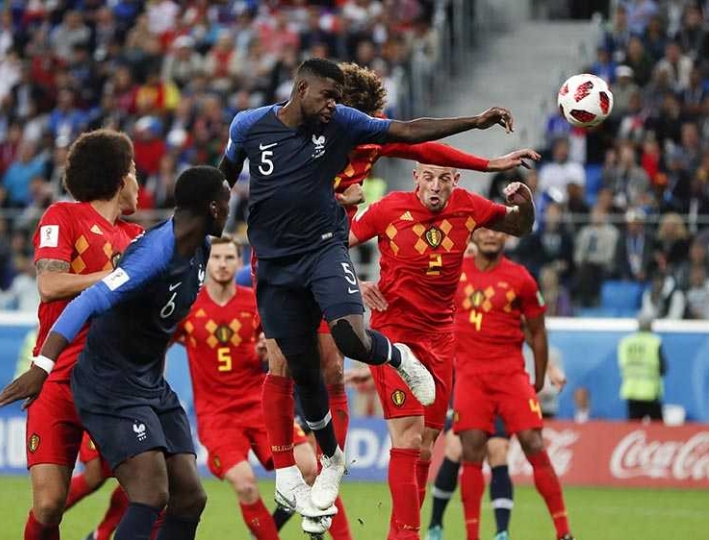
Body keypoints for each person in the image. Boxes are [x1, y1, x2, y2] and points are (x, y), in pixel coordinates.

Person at [218, 57, 527, 522]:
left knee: (335, 365)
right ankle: (288, 472)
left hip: (324, 248)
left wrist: (487, 161)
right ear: (307, 94)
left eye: (344, 108)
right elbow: (229, 179)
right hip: (278, 254)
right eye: (330, 101)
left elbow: (423, 147)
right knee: (286, 362)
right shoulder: (266, 128)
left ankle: (327, 474)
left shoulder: (361, 134)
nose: (337, 114)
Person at [0, 166, 231, 540]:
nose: (233, 210)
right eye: (228, 203)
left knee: (189, 496)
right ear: (214, 208)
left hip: (146, 381)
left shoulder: (195, 245)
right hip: (108, 381)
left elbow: (218, 179)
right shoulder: (152, 252)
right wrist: (41, 367)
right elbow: (83, 299)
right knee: (144, 492)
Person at [349, 161, 535, 539]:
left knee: (426, 447)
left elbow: (519, 225)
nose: (436, 186)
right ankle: (409, 534)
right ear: (416, 177)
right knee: (409, 437)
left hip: (440, 339)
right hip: (393, 338)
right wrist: (356, 281)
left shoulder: (468, 207)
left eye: (444, 179)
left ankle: (399, 533)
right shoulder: (388, 209)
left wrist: (526, 203)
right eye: (429, 177)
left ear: (456, 180)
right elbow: (331, 247)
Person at [0, 129, 143, 540]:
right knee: (49, 504)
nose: (139, 183)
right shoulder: (63, 216)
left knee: (150, 483)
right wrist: (115, 276)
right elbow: (50, 286)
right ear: (117, 178)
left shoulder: (136, 238)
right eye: (134, 172)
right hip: (56, 378)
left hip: (111, 382)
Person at [174, 234, 327, 538]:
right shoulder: (188, 307)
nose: (222, 264)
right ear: (206, 263)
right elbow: (155, 346)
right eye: (215, 257)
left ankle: (269, 530)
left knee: (310, 468)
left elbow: (282, 348)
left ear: (239, 262)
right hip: (217, 416)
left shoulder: (254, 303)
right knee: (245, 484)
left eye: (229, 257)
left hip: (259, 406)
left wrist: (267, 351)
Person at [449, 228, 575, 540]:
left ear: (508, 237)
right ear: (473, 235)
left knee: (533, 442)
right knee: (472, 450)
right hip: (469, 376)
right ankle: (472, 535)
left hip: (510, 374)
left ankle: (563, 532)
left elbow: (537, 331)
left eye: (498, 231)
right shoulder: (453, 273)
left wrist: (542, 375)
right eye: (485, 230)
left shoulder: (521, 279)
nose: (491, 236)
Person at [618, 315, 666, 421]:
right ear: (651, 325)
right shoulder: (654, 342)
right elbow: (663, 368)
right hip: (650, 391)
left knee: (634, 427)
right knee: (659, 430)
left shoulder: (626, 342)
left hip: (631, 390)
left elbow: (622, 365)